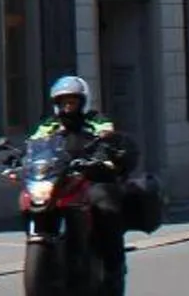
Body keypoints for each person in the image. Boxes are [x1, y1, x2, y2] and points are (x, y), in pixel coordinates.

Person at [27, 76, 134, 292]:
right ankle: (47, 253)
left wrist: (107, 143)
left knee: (105, 207)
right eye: (63, 101)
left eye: (72, 101)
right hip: (60, 178)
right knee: (27, 200)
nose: (68, 106)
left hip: (91, 176)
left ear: (82, 102)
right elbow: (34, 143)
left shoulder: (94, 120)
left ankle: (114, 266)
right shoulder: (50, 125)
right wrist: (21, 159)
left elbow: (107, 131)